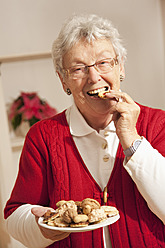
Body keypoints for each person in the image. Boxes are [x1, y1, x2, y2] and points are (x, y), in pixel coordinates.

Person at [4, 14, 165, 248]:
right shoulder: (43, 137)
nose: (94, 77)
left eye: (103, 62)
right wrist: (42, 227)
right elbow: (14, 216)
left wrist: (132, 140)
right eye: (78, 68)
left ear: (120, 66)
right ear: (63, 80)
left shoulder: (158, 124)